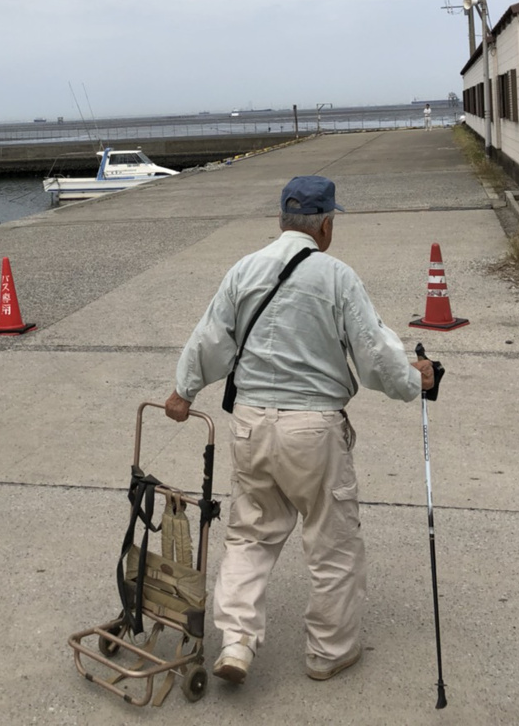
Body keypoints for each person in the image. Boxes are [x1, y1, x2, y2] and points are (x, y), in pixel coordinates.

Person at [165, 175, 434, 686]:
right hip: (313, 430)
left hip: (250, 424)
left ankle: (238, 643)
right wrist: (412, 382)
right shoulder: (336, 276)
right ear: (326, 225)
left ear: (281, 221)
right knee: (331, 544)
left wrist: (184, 390)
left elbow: (211, 337)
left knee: (250, 534)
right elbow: (375, 355)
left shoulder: (244, 269)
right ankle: (327, 653)